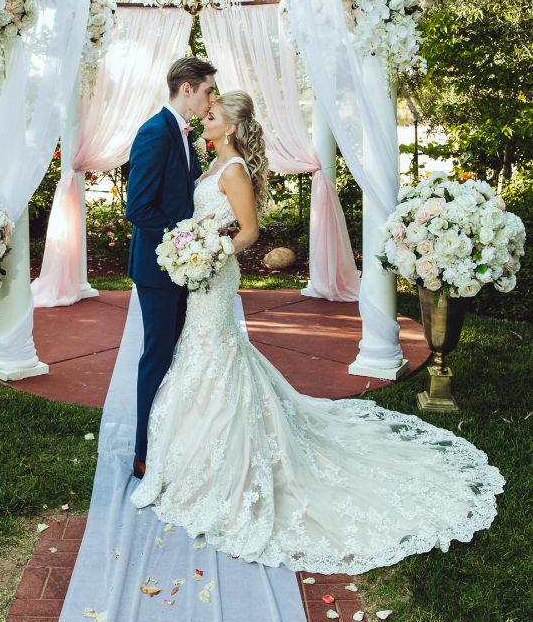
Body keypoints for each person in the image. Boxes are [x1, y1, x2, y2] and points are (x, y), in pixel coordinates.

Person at [130, 91, 505, 574]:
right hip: (199, 275)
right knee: (200, 353)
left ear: (232, 128)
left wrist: (209, 252)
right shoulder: (210, 165)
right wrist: (193, 244)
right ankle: (183, 463)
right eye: (208, 111)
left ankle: (225, 467)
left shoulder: (235, 170)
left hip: (214, 276)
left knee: (215, 351)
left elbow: (248, 230)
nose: (206, 117)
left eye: (214, 115)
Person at [125, 56, 217, 480]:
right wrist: (189, 241)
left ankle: (172, 439)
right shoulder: (154, 133)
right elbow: (139, 209)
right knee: (157, 356)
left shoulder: (182, 133)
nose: (210, 98)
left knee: (178, 355)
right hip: (158, 269)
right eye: (207, 91)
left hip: (181, 266)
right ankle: (144, 452)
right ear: (187, 89)